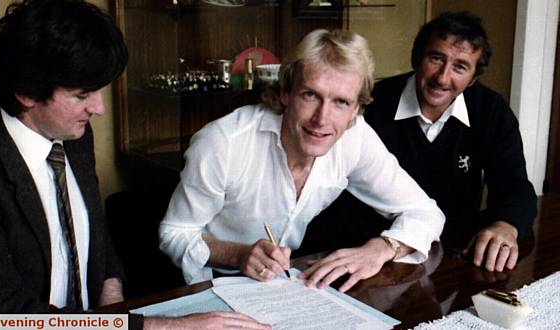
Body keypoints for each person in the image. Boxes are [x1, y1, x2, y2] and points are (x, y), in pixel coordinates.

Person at [0, 1, 270, 329]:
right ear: (26, 93)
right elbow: (1, 317)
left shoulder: (70, 135)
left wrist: (112, 288)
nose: (99, 108)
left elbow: (90, 229)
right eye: (81, 94)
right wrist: (153, 326)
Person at [159, 29, 445, 293]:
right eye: (310, 95)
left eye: (341, 102)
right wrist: (238, 254)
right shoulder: (223, 142)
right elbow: (174, 234)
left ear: (356, 109)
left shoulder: (354, 137)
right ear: (285, 93)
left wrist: (381, 248)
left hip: (281, 285)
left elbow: (426, 212)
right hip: (209, 283)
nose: (322, 119)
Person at [363, 11, 537, 272]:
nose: (442, 78)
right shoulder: (373, 104)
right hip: (381, 254)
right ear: (416, 58)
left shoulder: (491, 110)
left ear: (473, 79)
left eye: (460, 67)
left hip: (456, 255)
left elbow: (515, 185)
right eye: (436, 58)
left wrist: (505, 225)